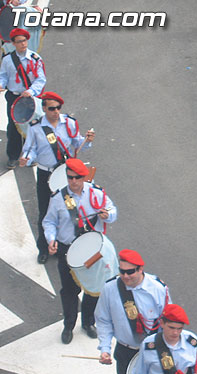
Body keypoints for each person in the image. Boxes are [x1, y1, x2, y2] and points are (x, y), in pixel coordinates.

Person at [42, 158, 118, 344]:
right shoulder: (58, 198)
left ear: (84, 177)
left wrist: (108, 215)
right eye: (70, 178)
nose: (73, 182)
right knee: (69, 290)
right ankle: (68, 325)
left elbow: (112, 211)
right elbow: (49, 222)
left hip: (93, 249)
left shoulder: (96, 194)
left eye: (77, 178)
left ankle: (88, 322)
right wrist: (51, 239)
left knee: (94, 288)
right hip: (68, 250)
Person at [18, 92, 95, 265]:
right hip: (46, 174)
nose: (56, 112)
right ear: (44, 108)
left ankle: (72, 245)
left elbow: (78, 143)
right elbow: (30, 149)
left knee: (72, 208)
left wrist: (87, 140)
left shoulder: (69, 123)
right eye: (52, 108)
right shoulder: (36, 127)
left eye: (58, 108)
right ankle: (44, 248)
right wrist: (26, 159)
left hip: (67, 174)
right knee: (45, 211)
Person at [0, 27, 46, 169]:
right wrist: (1, 84)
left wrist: (31, 91)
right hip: (14, 98)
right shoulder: (8, 60)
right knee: (13, 128)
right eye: (19, 42)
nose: (23, 44)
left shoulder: (35, 59)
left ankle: (30, 156)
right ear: (13, 43)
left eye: (25, 41)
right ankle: (13, 157)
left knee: (31, 127)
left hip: (29, 98)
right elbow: (3, 75)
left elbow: (41, 79)